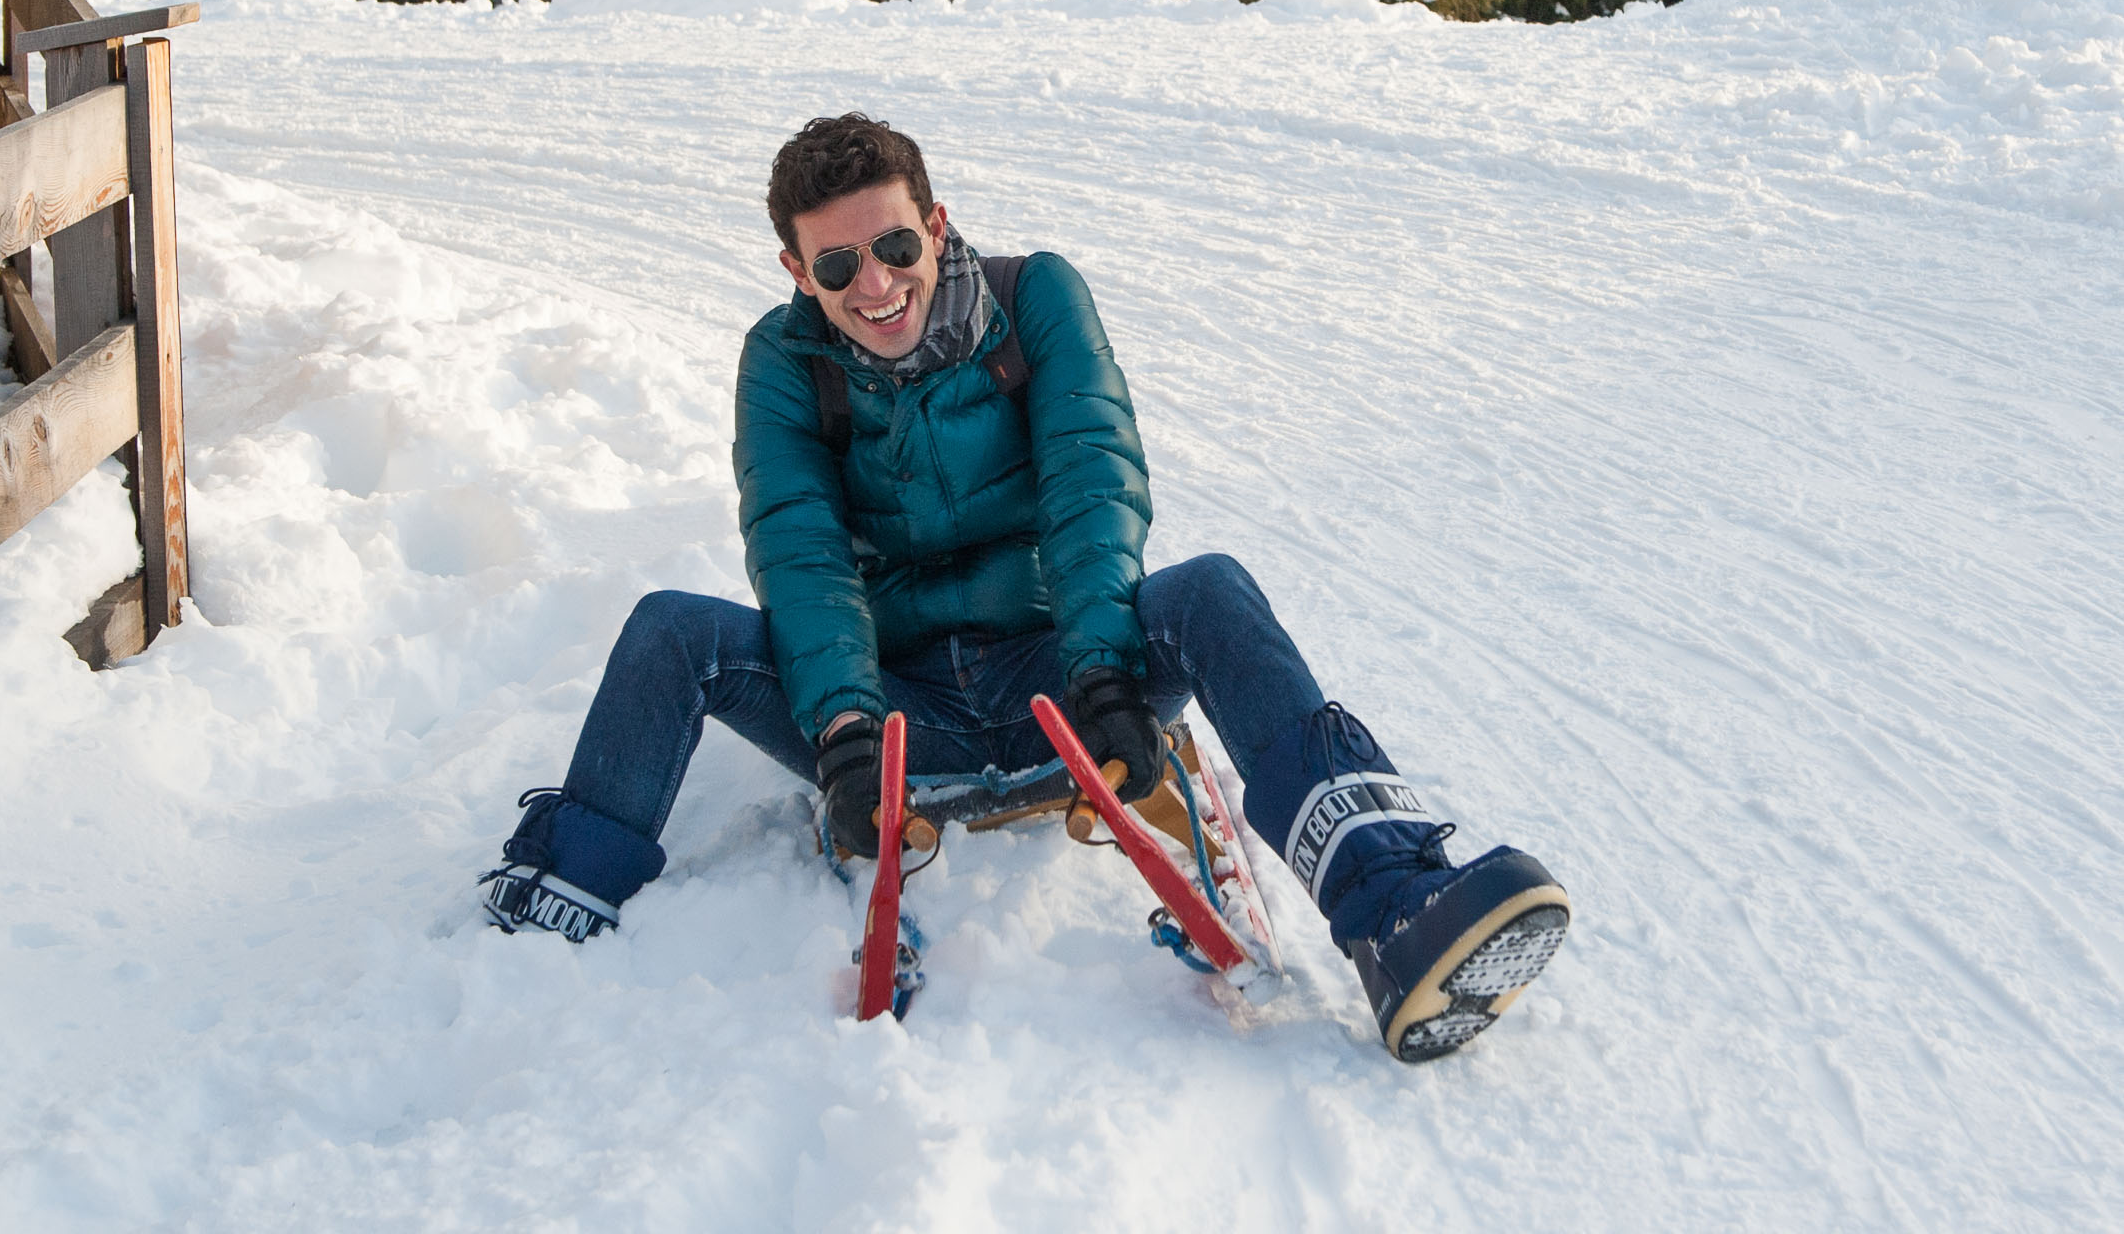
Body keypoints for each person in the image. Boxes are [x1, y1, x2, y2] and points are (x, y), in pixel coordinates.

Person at [482, 114, 1570, 1061]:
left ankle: (1394, 910)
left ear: (937, 223)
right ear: (793, 270)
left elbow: (1092, 479)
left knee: (1208, 591)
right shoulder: (781, 361)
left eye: (895, 244)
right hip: (900, 708)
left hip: (1061, 675)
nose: (874, 284)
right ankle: (554, 908)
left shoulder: (1032, 296)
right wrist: (847, 731)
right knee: (673, 630)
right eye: (834, 266)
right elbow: (798, 546)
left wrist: (1102, 666)